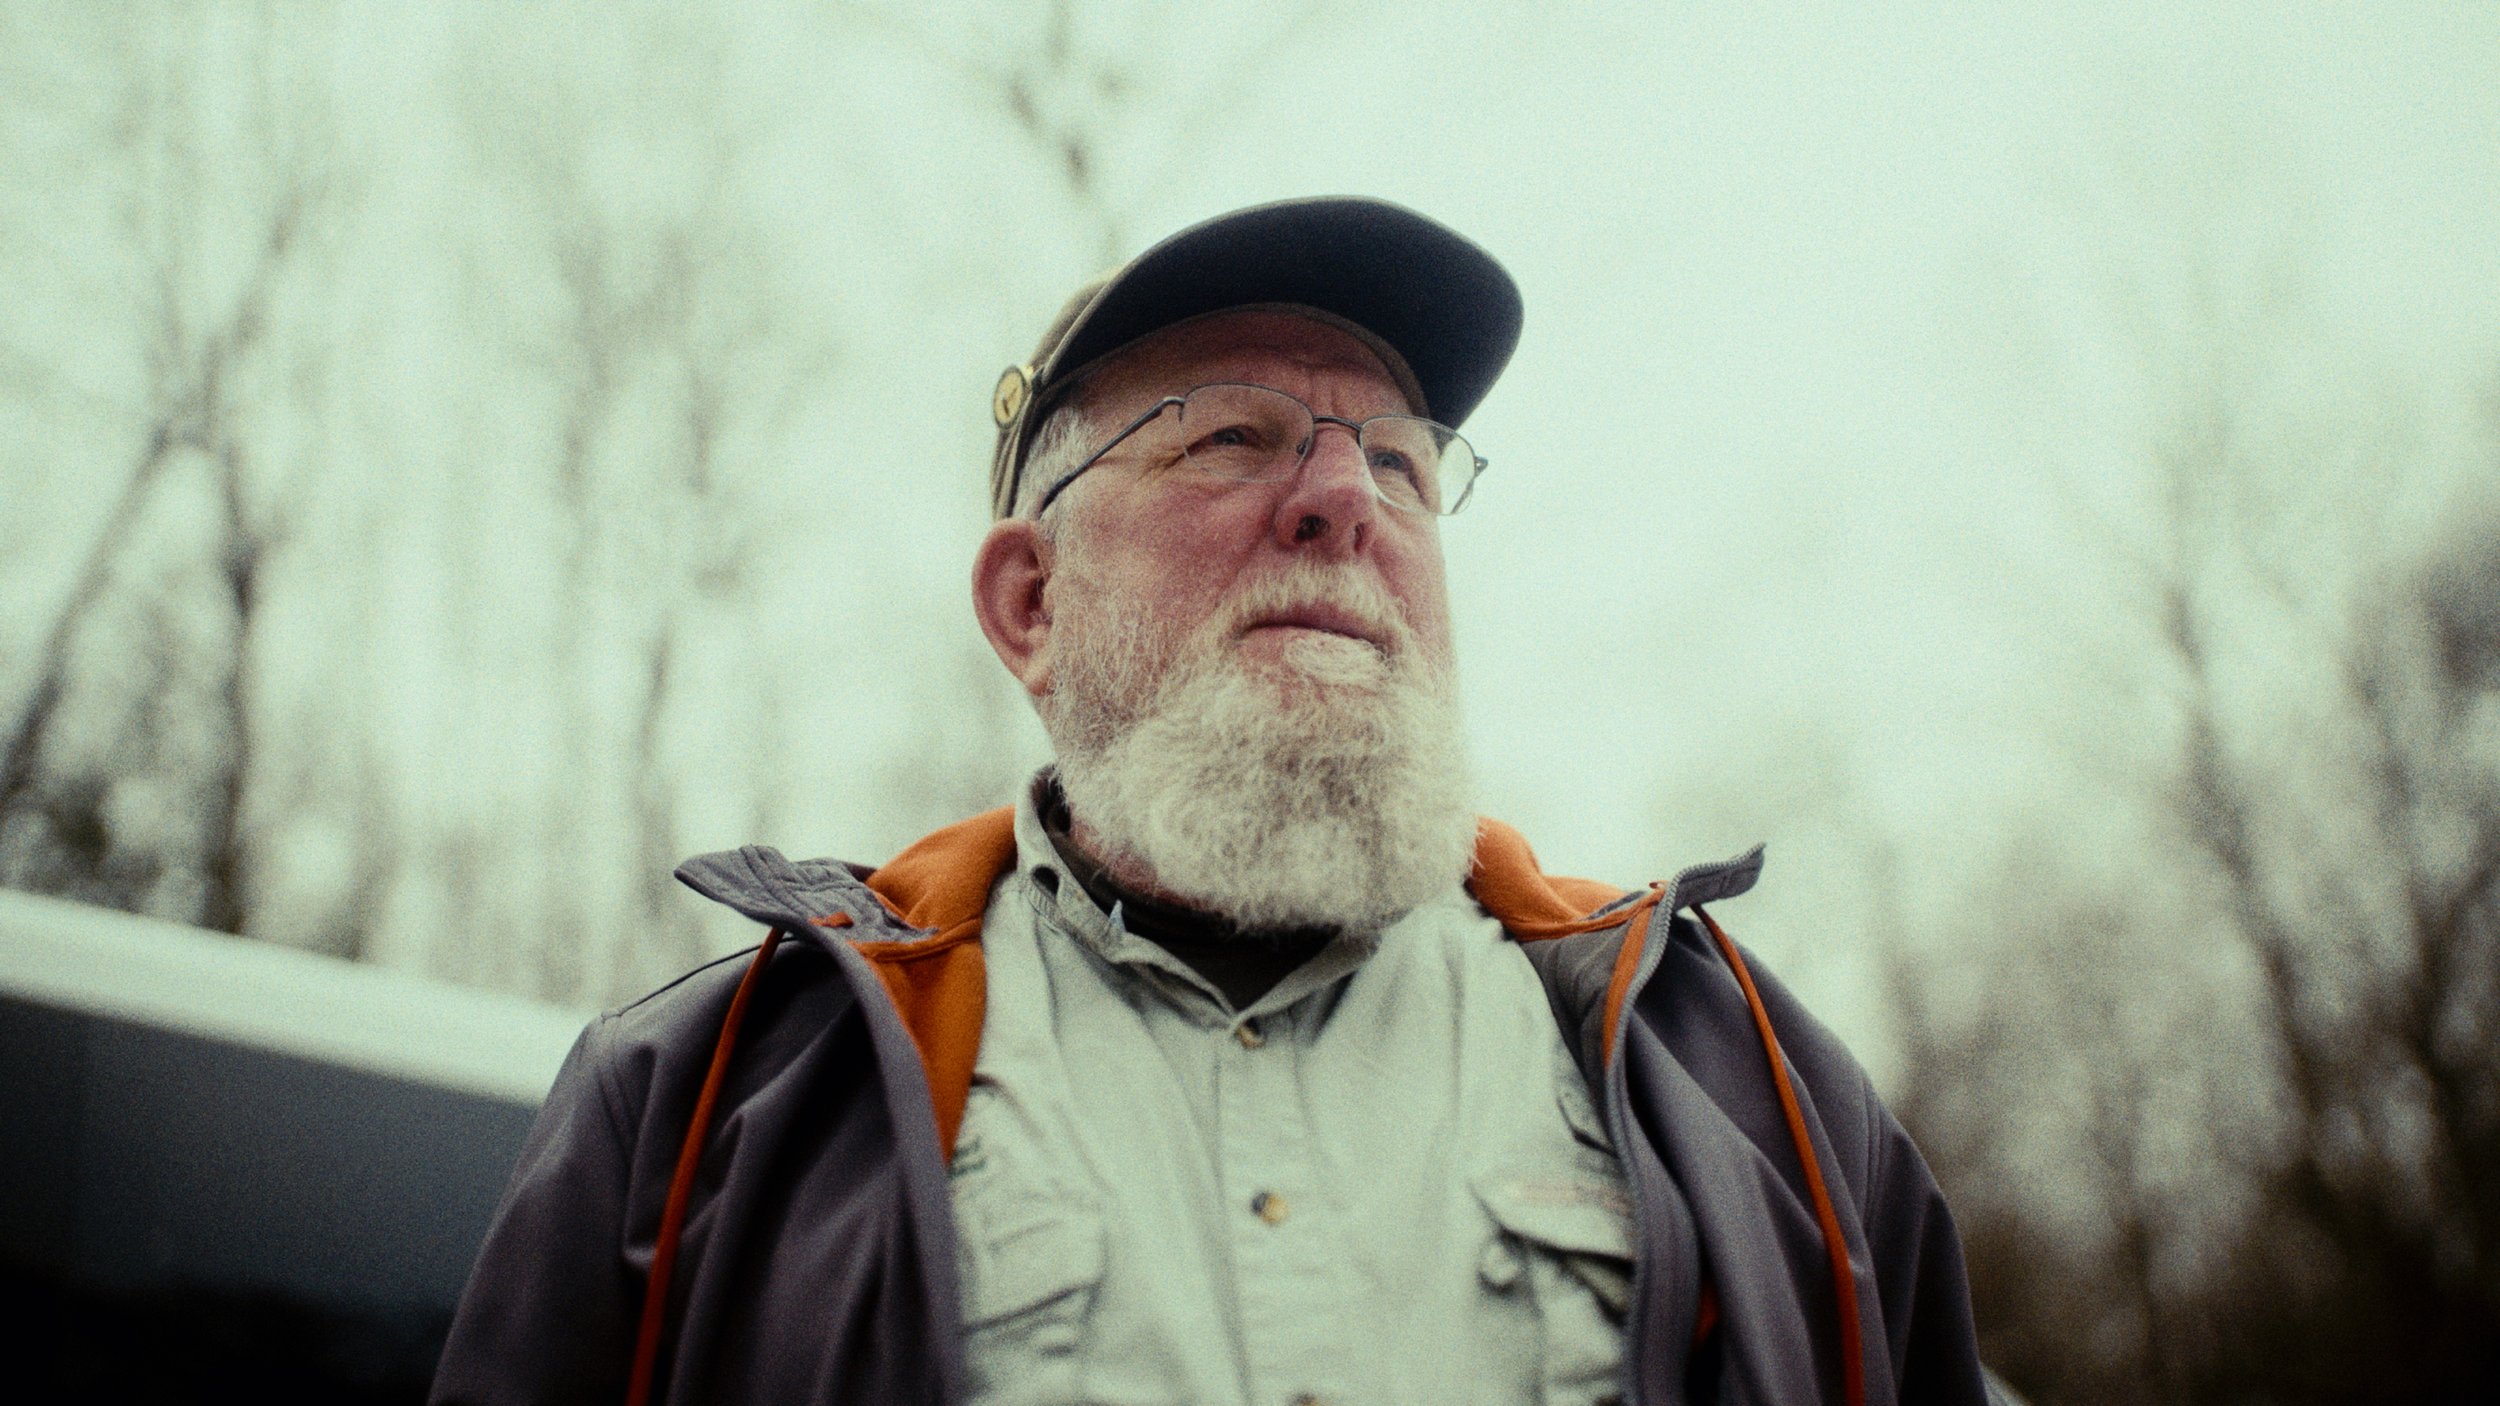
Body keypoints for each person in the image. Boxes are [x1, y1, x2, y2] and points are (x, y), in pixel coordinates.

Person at [430, 197, 1993, 1406]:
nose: (1346, 500)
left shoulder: (1747, 1080)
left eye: (1402, 461)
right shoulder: (701, 1104)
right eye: (1236, 434)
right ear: (1032, 603)